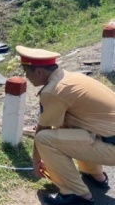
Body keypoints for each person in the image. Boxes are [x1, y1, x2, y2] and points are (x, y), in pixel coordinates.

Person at [16, 45, 115, 205]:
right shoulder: (71, 77)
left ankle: (76, 195)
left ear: (39, 72)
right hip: (109, 139)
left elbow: (43, 130)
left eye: (27, 73)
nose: (27, 77)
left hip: (111, 146)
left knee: (44, 139)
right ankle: (95, 175)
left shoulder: (53, 90)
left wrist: (36, 162)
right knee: (68, 126)